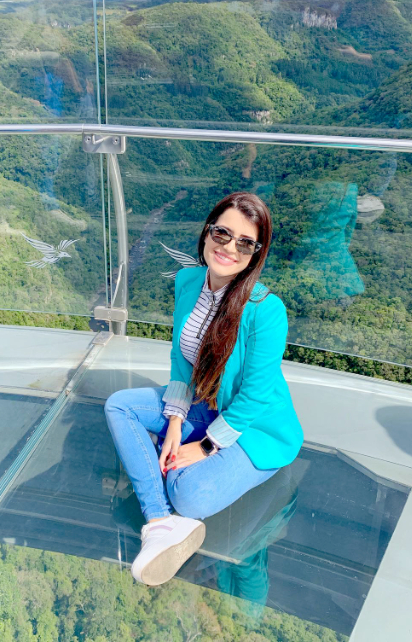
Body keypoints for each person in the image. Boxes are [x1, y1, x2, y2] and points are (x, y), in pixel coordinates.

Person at [104, 191, 304, 586]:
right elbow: (182, 360)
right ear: (207, 231)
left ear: (256, 253)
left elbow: (254, 396)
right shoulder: (188, 280)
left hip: (256, 429)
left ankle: (167, 508)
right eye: (222, 233)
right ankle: (160, 522)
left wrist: (206, 446)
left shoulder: (266, 310)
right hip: (202, 403)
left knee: (189, 495)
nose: (229, 247)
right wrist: (175, 422)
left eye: (245, 243)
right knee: (120, 406)